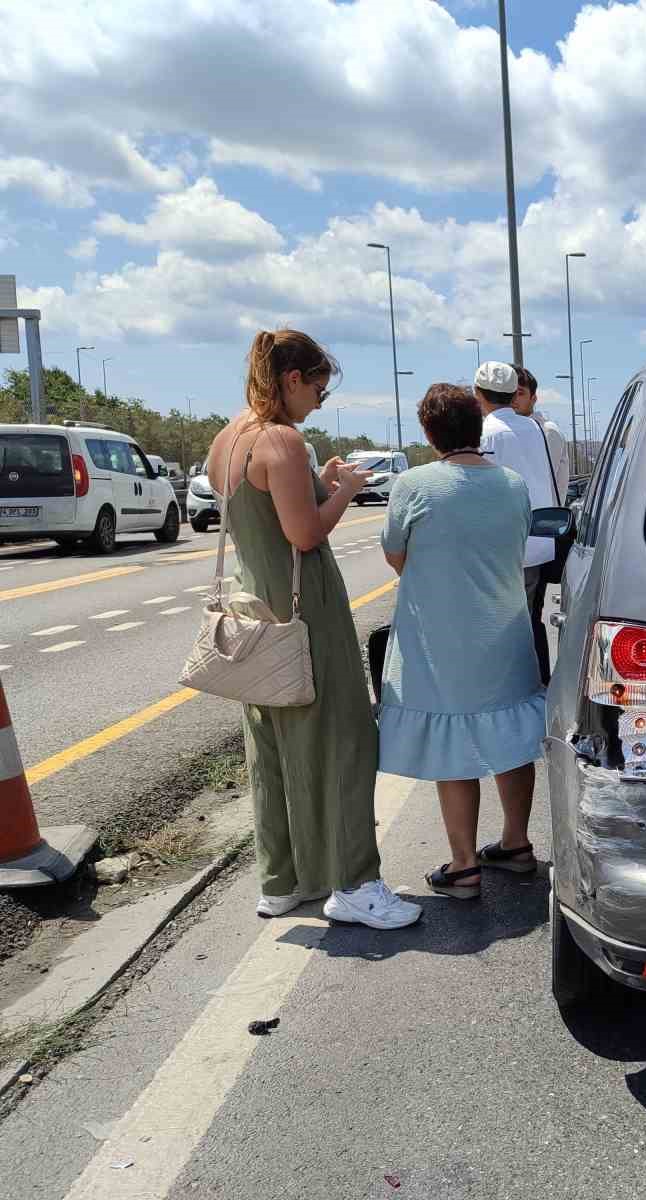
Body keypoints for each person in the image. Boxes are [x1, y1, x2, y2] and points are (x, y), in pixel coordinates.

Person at [207, 330, 421, 930]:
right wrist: (348, 491)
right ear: (292, 379)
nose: (321, 401)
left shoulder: (229, 438)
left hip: (255, 616)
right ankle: (353, 882)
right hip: (306, 618)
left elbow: (270, 518)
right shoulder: (282, 439)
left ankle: (282, 880)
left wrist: (320, 478)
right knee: (345, 742)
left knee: (270, 748)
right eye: (319, 389)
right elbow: (304, 534)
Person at [377, 384, 546, 897]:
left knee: (454, 740)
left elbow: (396, 555)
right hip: (505, 627)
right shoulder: (514, 484)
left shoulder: (415, 485)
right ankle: (516, 844)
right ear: (477, 427)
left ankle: (463, 865)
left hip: (441, 636)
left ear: (430, 433)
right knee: (512, 732)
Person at [475, 361, 560, 685]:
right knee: (530, 620)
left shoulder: (485, 432)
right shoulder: (535, 427)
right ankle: (539, 683)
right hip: (538, 543)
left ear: (478, 394)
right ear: (513, 394)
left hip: (504, 548)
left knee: (505, 627)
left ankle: (517, 690)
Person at [512, 366, 569, 502]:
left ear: (533, 398)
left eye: (520, 393)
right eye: (510, 394)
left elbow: (540, 483)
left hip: (542, 519)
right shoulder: (511, 433)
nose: (514, 399)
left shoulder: (547, 431)